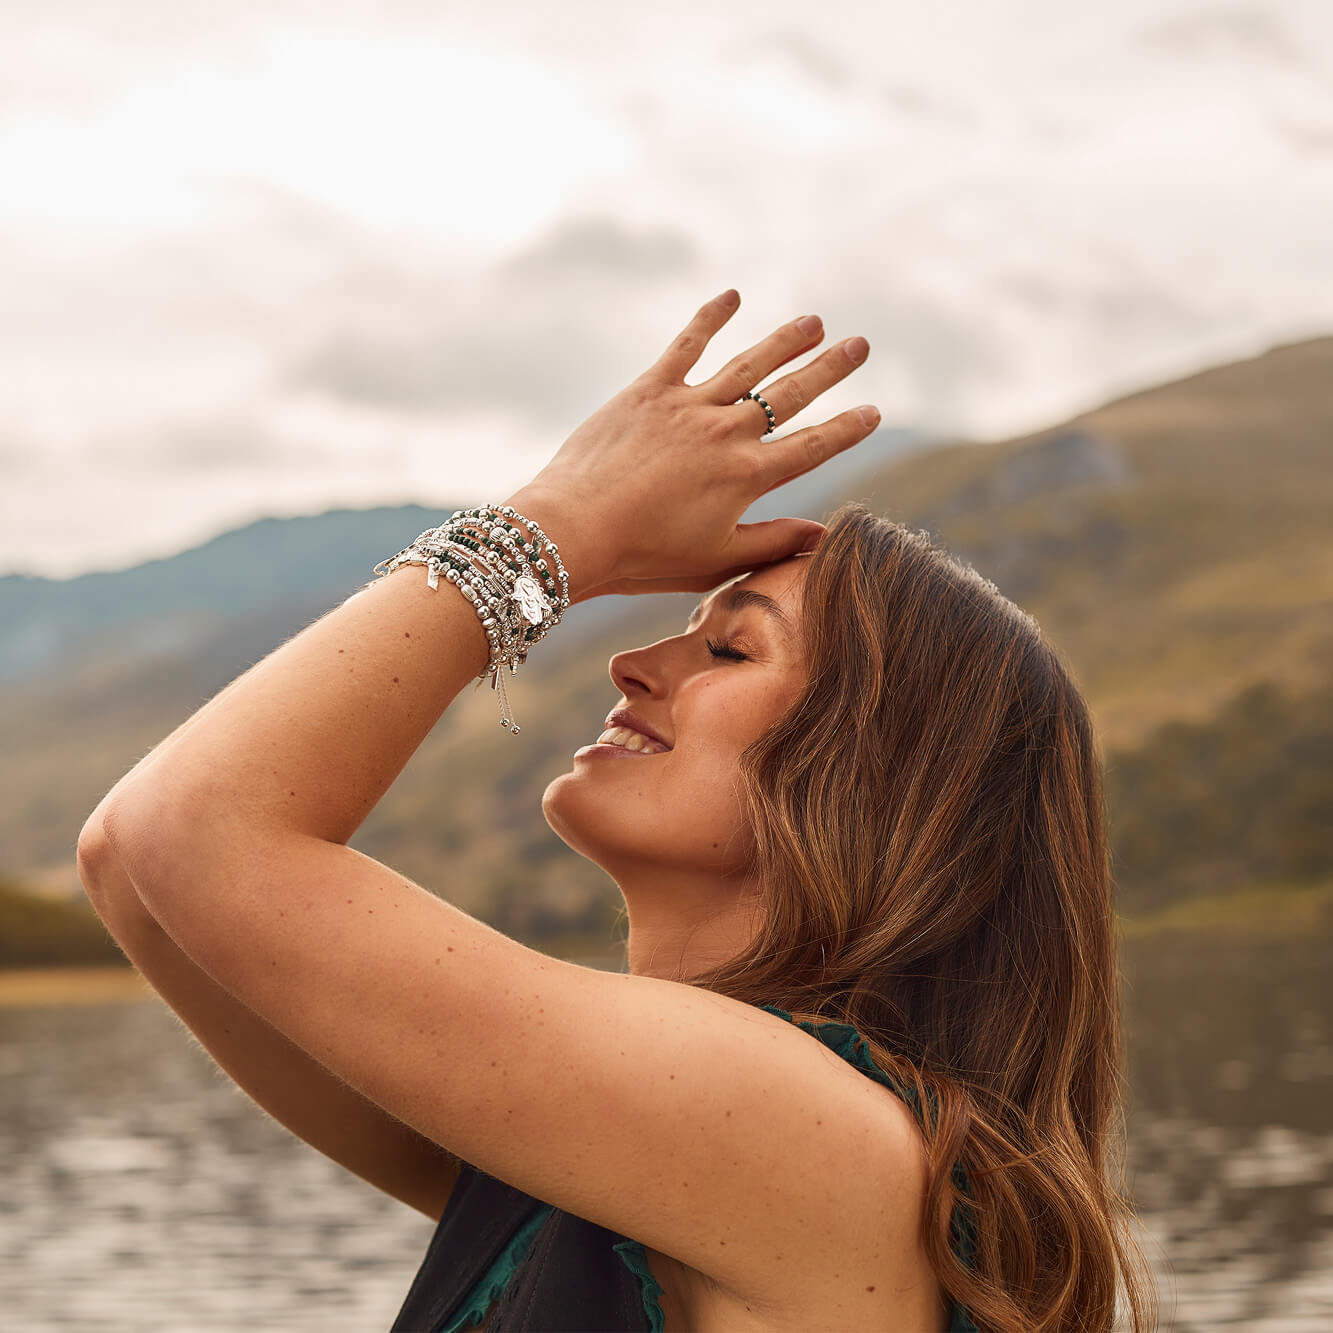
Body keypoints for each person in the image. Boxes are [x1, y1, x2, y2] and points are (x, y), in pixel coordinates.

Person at [77, 289, 1156, 1331]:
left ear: (878, 779)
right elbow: (138, 872)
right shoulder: (646, 1143)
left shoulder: (789, 1127)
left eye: (728, 646)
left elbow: (184, 832)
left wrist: (561, 527)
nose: (634, 662)